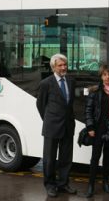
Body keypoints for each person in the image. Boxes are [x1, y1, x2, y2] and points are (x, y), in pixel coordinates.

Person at [36, 53, 77, 198]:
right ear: (53, 67)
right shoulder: (46, 83)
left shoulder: (71, 81)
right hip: (52, 126)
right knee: (49, 159)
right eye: (60, 65)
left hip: (68, 125)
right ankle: (50, 185)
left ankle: (63, 183)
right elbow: (41, 105)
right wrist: (49, 120)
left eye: (65, 64)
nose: (63, 67)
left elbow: (70, 104)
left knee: (66, 158)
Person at [84, 64, 109, 198]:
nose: (107, 77)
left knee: (108, 157)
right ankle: (91, 185)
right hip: (98, 127)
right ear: (101, 76)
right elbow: (88, 110)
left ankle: (105, 182)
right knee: (95, 157)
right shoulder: (95, 91)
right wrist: (90, 127)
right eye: (104, 74)